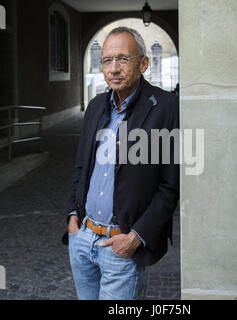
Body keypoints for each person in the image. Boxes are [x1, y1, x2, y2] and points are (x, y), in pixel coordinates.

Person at [65, 27, 179, 300]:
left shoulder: (166, 107)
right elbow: (82, 167)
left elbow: (170, 186)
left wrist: (136, 238)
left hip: (122, 246)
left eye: (123, 59)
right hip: (83, 239)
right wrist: (72, 217)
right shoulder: (95, 106)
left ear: (143, 63)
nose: (113, 68)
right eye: (106, 60)